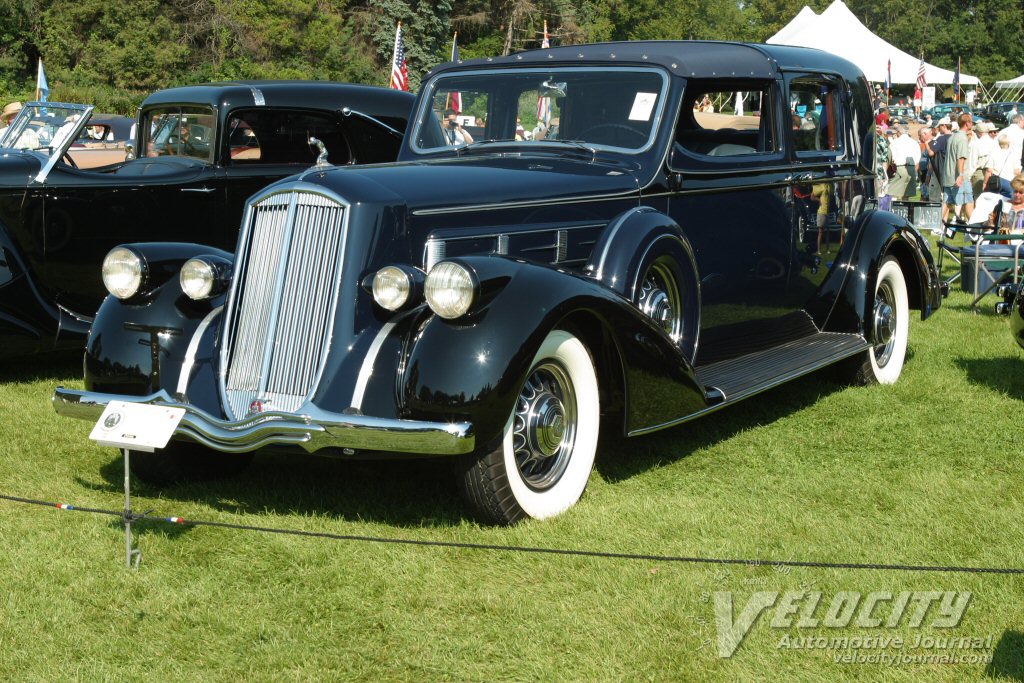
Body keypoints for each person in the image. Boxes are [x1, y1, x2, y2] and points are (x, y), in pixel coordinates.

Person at [942, 113, 974, 222]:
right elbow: (961, 158)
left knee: (947, 202)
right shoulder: (962, 138)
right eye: (971, 122)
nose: (972, 124)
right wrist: (960, 175)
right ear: (967, 123)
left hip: (948, 176)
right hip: (958, 176)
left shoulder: (952, 136)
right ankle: (975, 228)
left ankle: (936, 224)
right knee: (968, 200)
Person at [888, 124, 920, 200]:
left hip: (899, 168)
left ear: (899, 132)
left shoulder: (895, 142)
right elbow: (917, 158)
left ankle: (894, 211)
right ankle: (905, 211)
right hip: (911, 169)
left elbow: (891, 157)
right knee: (906, 195)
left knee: (892, 193)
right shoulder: (914, 142)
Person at [984, 134, 1021, 199]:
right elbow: (1017, 172)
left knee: (993, 201)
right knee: (1007, 203)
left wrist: (985, 183)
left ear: (999, 142)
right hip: (1009, 182)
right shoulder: (1014, 154)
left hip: (995, 182)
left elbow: (989, 170)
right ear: (1009, 143)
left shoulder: (994, 153)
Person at [970, 121, 996, 198]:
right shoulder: (994, 143)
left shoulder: (976, 144)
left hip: (979, 172)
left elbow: (973, 162)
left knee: (978, 197)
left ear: (978, 132)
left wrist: (968, 177)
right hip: (992, 172)